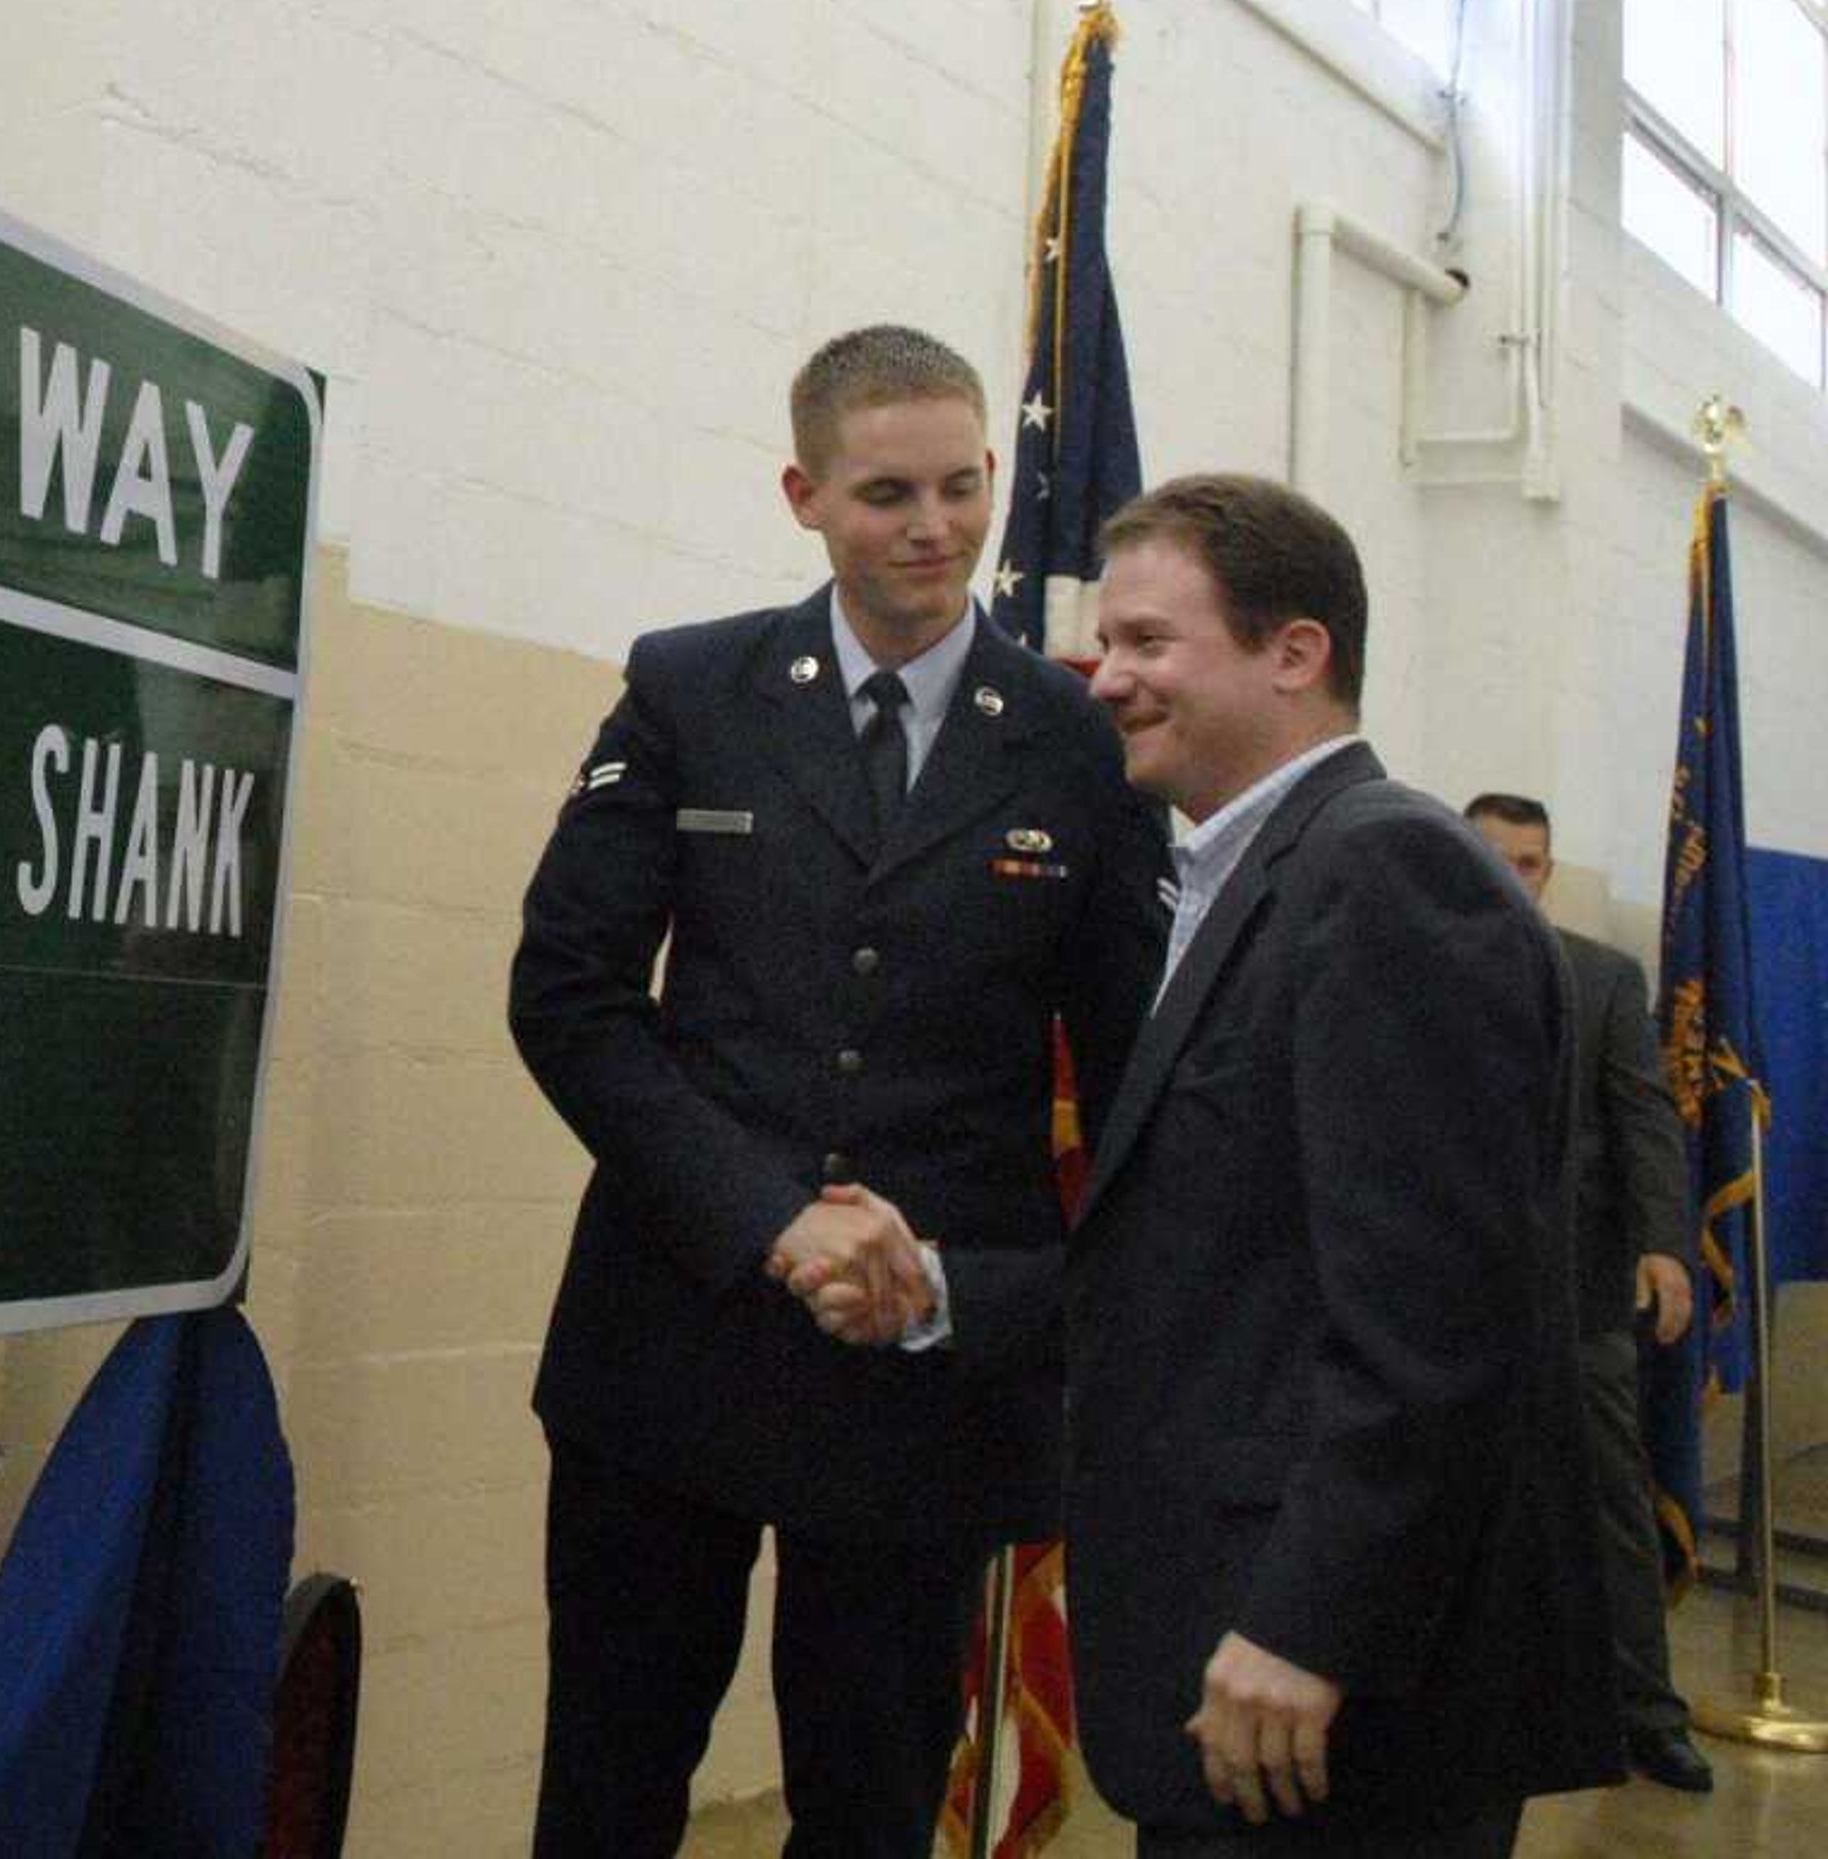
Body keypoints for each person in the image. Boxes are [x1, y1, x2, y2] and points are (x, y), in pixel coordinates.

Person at [506, 324, 1166, 1856]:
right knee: (607, 1782)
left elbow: (1132, 1073)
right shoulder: (693, 686)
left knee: (871, 1802)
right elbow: (571, 997)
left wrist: (1001, 1298)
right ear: (805, 492)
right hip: (671, 1331)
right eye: (885, 494)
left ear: (994, 474)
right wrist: (766, 1216)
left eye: (958, 485)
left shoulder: (1077, 740)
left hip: (916, 1378)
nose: (932, 528)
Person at [1062, 477, 1618, 1851]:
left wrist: (1310, 1621)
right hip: (1241, 1643)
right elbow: (1221, 1251)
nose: (1105, 677)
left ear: (1293, 651)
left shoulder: (1386, 879)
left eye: (1145, 641)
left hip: (1323, 1684)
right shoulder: (1251, 873)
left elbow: (1436, 1325)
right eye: (1104, 643)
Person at [1461, 791, 1712, 1796]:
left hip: (1578, 1291)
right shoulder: (1412, 958)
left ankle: (1645, 1712)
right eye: (1496, 858)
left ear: (1547, 871)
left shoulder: (1602, 977)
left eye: (1531, 861)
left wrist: (1663, 1245)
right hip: (1445, 1293)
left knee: (1610, 1506)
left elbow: (1644, 1117)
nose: (1514, 877)